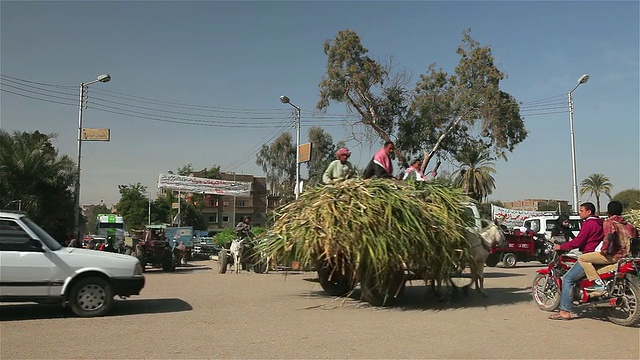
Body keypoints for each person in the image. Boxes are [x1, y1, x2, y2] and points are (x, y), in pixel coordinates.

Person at [549, 202, 604, 320]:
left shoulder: (589, 224)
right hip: (599, 255)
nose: (579, 212)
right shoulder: (600, 223)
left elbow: (578, 241)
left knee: (568, 279)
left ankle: (565, 311)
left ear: (589, 212)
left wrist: (561, 247)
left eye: (581, 210)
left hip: (589, 255)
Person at [578, 201, 638, 292]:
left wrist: (603, 251)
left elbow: (608, 238)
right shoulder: (630, 226)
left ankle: (596, 282)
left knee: (582, 258)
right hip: (627, 257)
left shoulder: (609, 222)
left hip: (614, 256)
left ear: (608, 212)